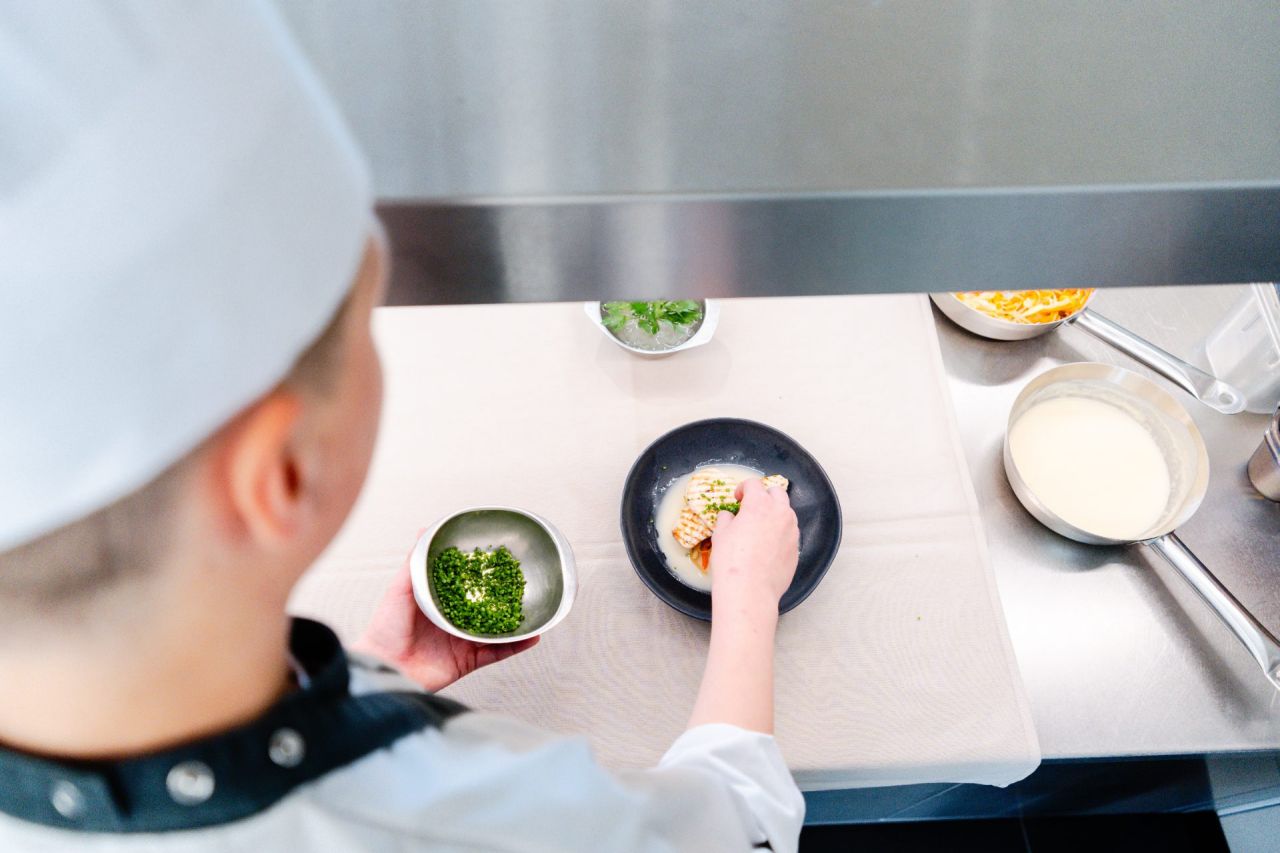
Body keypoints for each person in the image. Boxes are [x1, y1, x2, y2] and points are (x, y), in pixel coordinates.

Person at [0, 2, 805, 850]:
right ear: (283, 474)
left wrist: (374, 688)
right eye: (363, 322)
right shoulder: (503, 820)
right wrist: (747, 600)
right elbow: (741, 824)